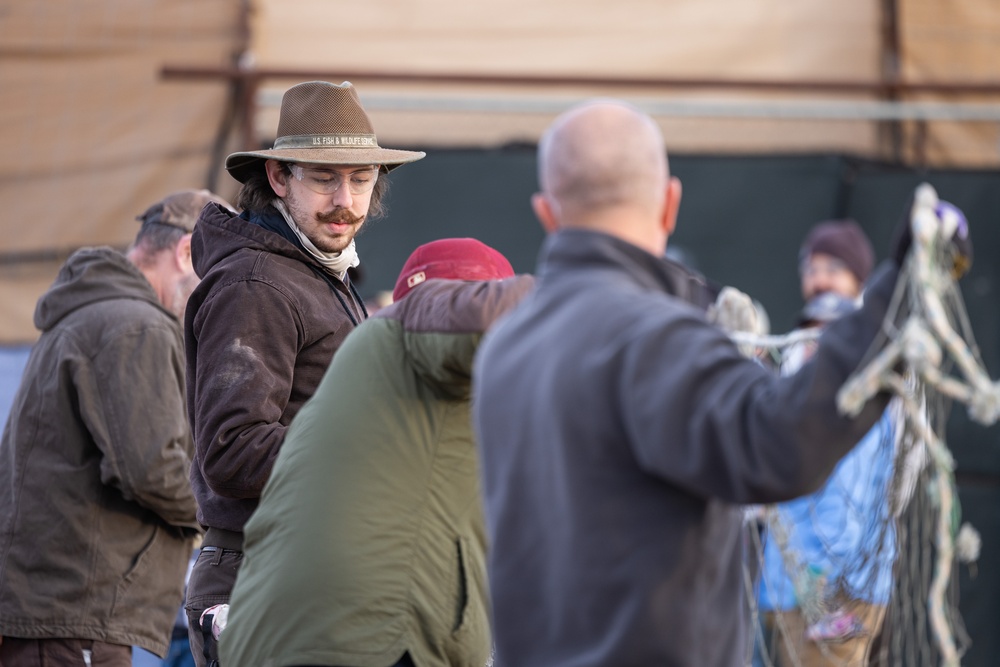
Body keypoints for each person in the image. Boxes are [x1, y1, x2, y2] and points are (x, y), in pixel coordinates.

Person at [471, 99, 971, 666]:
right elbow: (780, 445)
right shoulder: (656, 339)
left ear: (546, 212)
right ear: (670, 204)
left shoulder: (504, 350)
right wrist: (896, 295)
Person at [183, 80, 425, 666]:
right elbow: (233, 450)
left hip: (304, 571)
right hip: (265, 574)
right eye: (324, 177)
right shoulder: (256, 284)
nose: (346, 198)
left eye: (361, 178)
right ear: (278, 178)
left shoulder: (314, 274)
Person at [216, 238, 533, 667]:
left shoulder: (384, 386)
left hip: (279, 635)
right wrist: (594, 289)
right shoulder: (416, 332)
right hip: (366, 639)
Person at [0, 189, 230, 666]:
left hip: (61, 613)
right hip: (74, 615)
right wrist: (236, 518)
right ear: (187, 252)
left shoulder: (95, 315)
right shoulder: (134, 326)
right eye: (217, 267)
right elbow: (152, 469)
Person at [756, 291, 897, 667]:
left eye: (829, 336)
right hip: (789, 594)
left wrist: (821, 598)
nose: (816, 347)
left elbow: (846, 514)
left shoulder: (860, 408)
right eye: (810, 335)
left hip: (833, 601)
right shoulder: (796, 400)